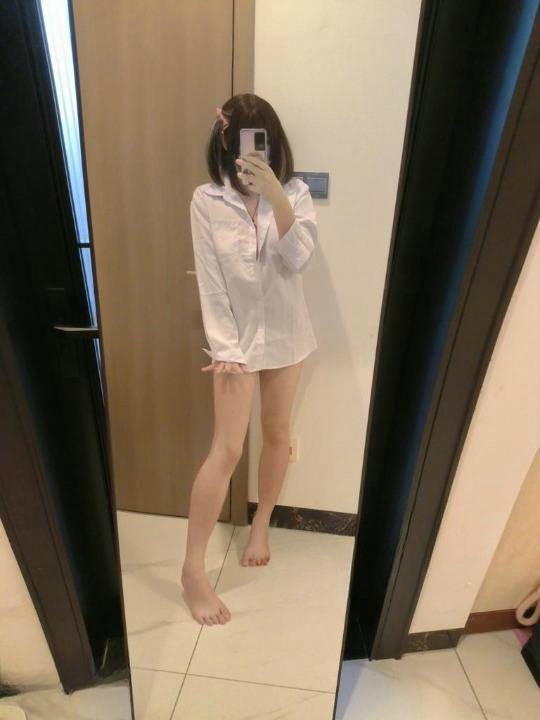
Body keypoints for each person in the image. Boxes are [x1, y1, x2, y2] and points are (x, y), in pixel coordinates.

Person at [181, 93, 318, 626]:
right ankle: (193, 571)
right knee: (226, 449)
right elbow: (210, 282)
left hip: (287, 337)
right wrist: (226, 349)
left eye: (263, 141)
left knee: (278, 434)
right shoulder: (206, 201)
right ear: (225, 143)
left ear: (274, 143)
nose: (253, 153)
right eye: (243, 142)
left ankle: (261, 523)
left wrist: (276, 194)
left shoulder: (297, 194)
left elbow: (298, 257)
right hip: (235, 346)